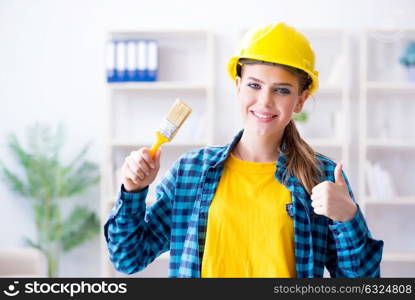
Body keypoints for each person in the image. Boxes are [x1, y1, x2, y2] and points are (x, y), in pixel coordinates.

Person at [104, 22, 384, 278]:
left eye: (282, 90)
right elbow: (128, 258)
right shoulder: (192, 171)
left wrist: (348, 217)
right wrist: (132, 192)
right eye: (254, 85)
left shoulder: (321, 176)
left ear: (300, 100)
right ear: (238, 87)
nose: (264, 101)